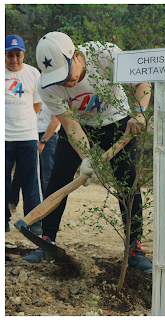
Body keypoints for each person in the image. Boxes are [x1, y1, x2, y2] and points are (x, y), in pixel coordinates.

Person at [21, 32, 153, 273]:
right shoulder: (45, 86)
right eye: (56, 79)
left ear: (77, 56)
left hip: (118, 120)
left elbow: (142, 83)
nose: (64, 83)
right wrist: (88, 158)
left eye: (65, 75)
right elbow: (70, 125)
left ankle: (135, 248)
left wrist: (139, 112)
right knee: (58, 178)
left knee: (128, 182)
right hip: (80, 125)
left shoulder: (106, 54)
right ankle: (47, 241)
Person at [5, 34, 43, 234]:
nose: (14, 60)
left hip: (27, 136)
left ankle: (33, 222)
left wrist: (22, 120)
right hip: (4, 138)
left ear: (23, 54)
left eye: (18, 55)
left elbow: (37, 104)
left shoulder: (33, 73)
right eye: (9, 55)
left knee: (30, 180)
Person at [37, 103, 61, 194]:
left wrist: (43, 141)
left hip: (48, 137)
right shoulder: (35, 96)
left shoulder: (52, 96)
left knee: (47, 176)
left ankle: (47, 205)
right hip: (33, 134)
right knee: (35, 176)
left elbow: (55, 122)